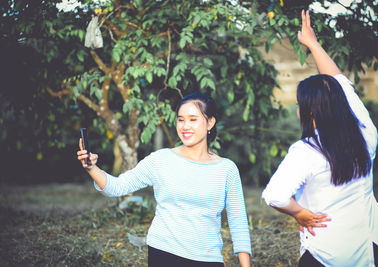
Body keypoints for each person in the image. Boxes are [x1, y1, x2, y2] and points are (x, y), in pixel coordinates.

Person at [262, 10, 378, 267]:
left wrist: (300, 214)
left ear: (308, 111)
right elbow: (341, 84)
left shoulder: (306, 151)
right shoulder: (366, 132)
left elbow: (275, 195)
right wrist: (312, 43)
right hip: (374, 247)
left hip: (328, 254)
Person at [77, 93, 251, 267]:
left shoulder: (227, 169)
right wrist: (92, 168)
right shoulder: (160, 160)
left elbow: (239, 222)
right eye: (181, 120)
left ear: (210, 122)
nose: (185, 126)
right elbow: (117, 187)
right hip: (164, 254)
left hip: (208, 258)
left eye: (193, 119)